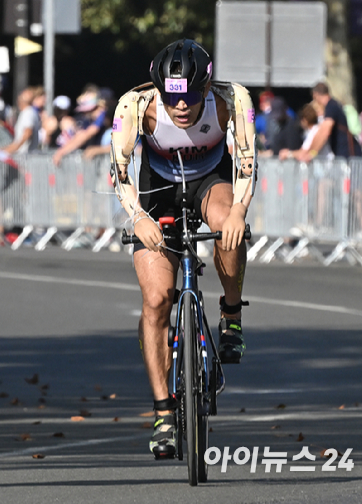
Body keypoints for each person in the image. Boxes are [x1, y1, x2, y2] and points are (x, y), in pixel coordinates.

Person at [110, 39, 256, 459]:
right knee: (156, 300)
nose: (182, 108)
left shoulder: (232, 99)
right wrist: (138, 217)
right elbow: (118, 170)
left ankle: (231, 316)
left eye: (192, 99)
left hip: (210, 179)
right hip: (157, 190)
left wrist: (240, 211)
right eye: (173, 99)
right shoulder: (134, 105)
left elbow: (247, 159)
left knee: (230, 225)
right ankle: (162, 413)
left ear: (207, 89)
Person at [298, 82, 362, 160]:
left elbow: (325, 132)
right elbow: (320, 132)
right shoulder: (331, 106)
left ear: (315, 95)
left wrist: (311, 154)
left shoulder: (331, 107)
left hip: (348, 154)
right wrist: (310, 151)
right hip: (344, 154)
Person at [52, 87, 106, 166]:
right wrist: (62, 151)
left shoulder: (103, 115)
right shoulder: (91, 119)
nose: (84, 114)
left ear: (95, 107)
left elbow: (86, 135)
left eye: (86, 111)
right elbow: (80, 136)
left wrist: (62, 152)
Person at [5, 88, 41, 155]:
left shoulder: (28, 112)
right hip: (24, 156)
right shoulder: (27, 112)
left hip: (25, 156)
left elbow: (28, 132)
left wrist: (15, 148)